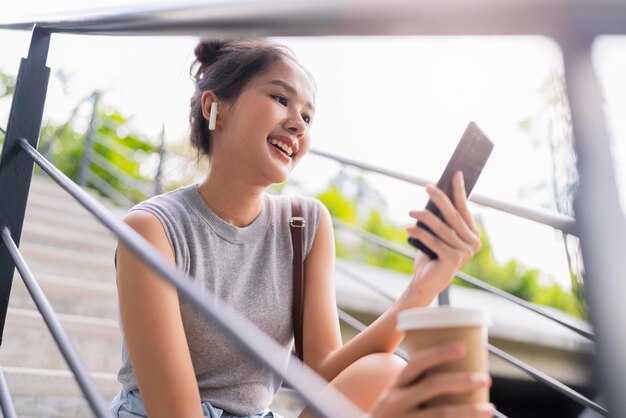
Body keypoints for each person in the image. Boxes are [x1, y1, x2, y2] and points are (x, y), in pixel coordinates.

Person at [110, 39, 495, 418]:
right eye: (280, 99)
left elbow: (326, 376)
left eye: (307, 117)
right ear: (215, 108)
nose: (297, 125)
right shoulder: (152, 229)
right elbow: (176, 414)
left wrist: (422, 287)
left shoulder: (304, 224)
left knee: (386, 374)